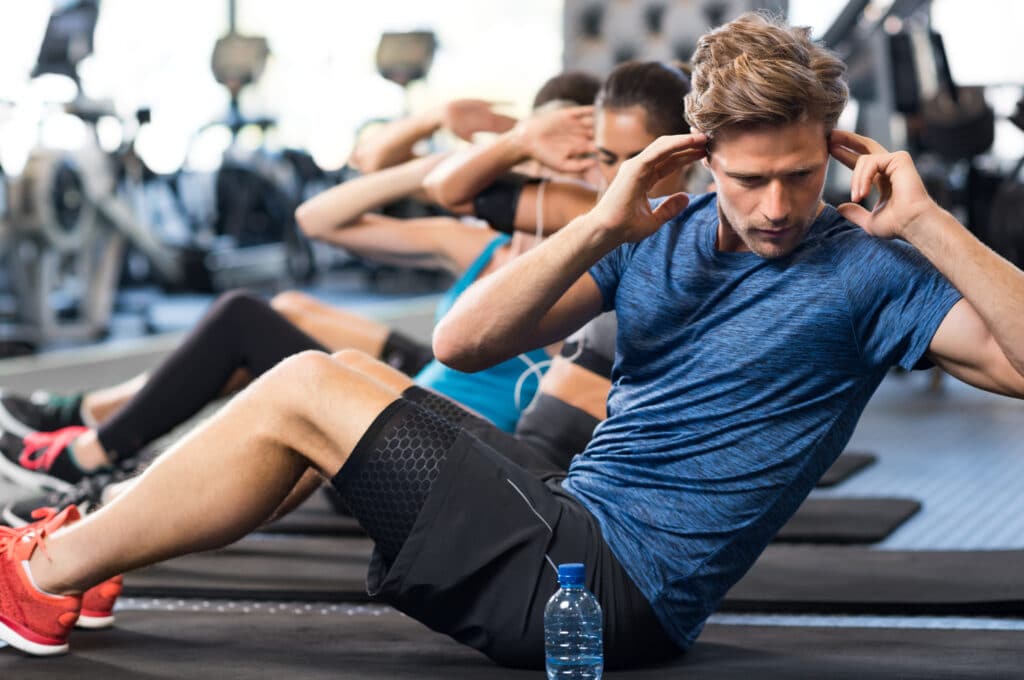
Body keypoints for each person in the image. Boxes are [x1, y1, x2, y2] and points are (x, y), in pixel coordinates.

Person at [13, 14, 1016, 671]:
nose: (778, 204)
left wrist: (927, 222)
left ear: (838, 149)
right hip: (569, 524)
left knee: (303, 385)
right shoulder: (647, 234)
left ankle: (41, 576)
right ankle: (92, 558)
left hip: (604, 593)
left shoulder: (872, 266)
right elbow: (468, 337)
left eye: (801, 174)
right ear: (701, 155)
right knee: (332, 376)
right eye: (749, 178)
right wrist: (602, 222)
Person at [0, 76, 601, 499]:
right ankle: (92, 444)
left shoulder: (590, 264)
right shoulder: (485, 244)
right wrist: (462, 150)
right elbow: (321, 219)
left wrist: (488, 166)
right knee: (278, 317)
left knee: (249, 324)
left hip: (420, 452)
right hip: (406, 409)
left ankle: (88, 456)